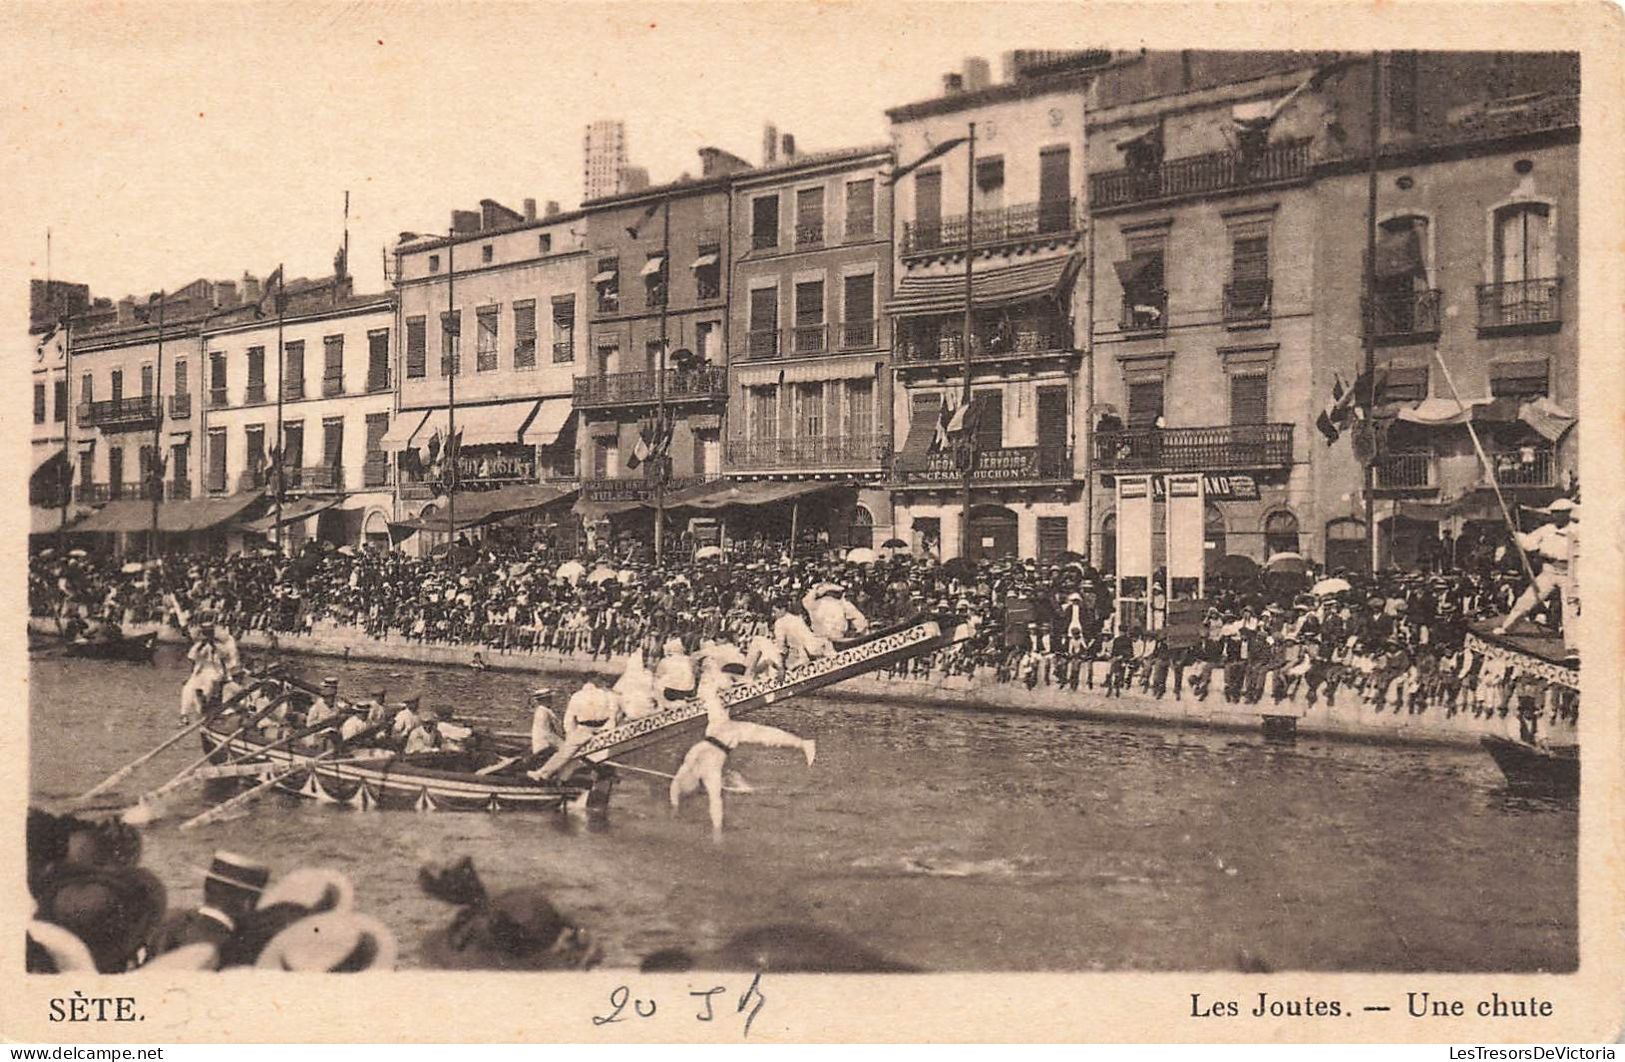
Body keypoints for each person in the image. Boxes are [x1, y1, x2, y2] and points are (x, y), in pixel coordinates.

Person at [1493, 498, 1578, 650]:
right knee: (1526, 601)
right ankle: (1507, 627)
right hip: (1549, 572)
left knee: (1570, 610)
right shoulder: (1546, 529)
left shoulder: (1578, 530)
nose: (1555, 516)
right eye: (1553, 513)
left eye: (1559, 513)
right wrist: (1517, 535)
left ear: (1567, 514)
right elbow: (1529, 543)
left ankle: (1572, 646)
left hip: (1569, 574)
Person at [804, 582, 868, 644]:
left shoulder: (813, 604)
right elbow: (860, 620)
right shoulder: (842, 603)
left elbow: (859, 620)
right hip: (835, 639)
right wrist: (859, 631)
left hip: (822, 640)